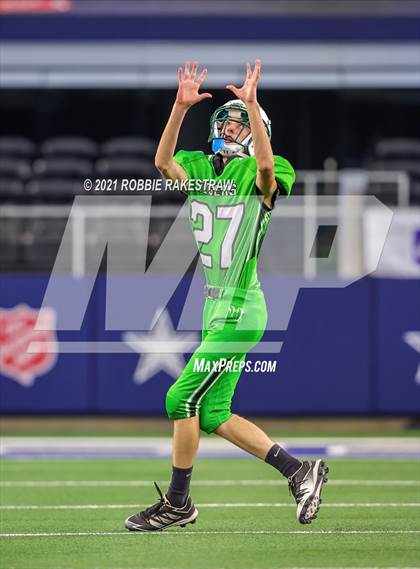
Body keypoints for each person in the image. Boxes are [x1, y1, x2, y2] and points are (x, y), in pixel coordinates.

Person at [125, 59, 328, 532]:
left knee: (179, 398)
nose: (230, 127)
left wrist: (253, 107)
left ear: (256, 132)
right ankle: (299, 471)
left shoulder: (271, 167)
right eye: (228, 120)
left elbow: (262, 167)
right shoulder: (200, 168)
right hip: (216, 308)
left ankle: (179, 503)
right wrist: (178, 109)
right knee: (212, 412)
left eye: (239, 124)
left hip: (241, 308)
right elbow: (162, 162)